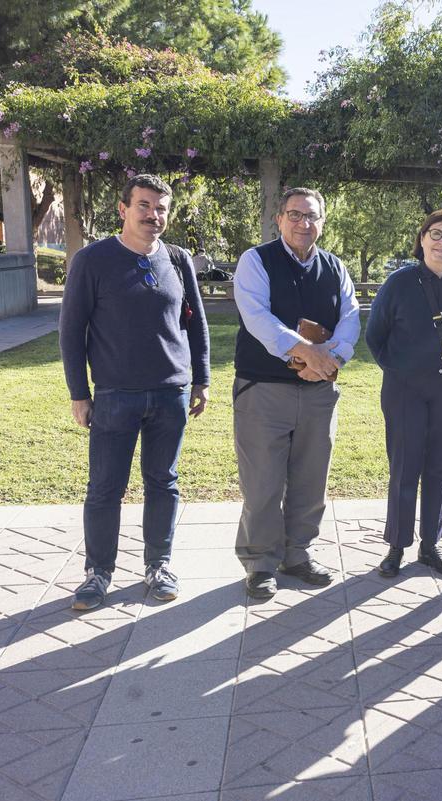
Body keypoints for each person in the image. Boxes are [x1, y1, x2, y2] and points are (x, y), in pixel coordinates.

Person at [58, 173, 210, 611]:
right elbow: (71, 330)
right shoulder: (92, 260)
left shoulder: (177, 259)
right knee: (105, 487)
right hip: (114, 396)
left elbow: (196, 322)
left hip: (170, 394)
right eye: (144, 205)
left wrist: (201, 379)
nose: (153, 215)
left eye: (161, 208)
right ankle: (98, 573)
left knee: (163, 482)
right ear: (123, 209)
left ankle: (158, 566)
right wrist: (79, 393)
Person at [231, 187, 360, 600]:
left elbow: (351, 318)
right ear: (279, 219)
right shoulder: (256, 261)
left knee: (311, 478)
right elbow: (257, 317)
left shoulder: (335, 267)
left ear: (322, 221)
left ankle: (298, 555)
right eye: (295, 214)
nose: (304, 223)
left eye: (312, 216)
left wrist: (331, 359)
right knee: (263, 482)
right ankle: (260, 563)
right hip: (263, 390)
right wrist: (306, 351)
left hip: (319, 391)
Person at [365, 210, 442, 578]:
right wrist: (400, 369)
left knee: (440, 466)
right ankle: (397, 546)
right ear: (422, 238)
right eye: (436, 234)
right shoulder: (399, 283)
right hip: (405, 390)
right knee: (404, 467)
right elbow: (375, 334)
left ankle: (431, 544)